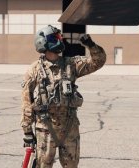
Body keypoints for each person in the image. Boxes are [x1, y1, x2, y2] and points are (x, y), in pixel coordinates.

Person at [21, 25, 106, 168]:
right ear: (44, 42)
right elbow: (26, 101)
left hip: (69, 128)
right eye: (56, 38)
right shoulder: (34, 69)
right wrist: (27, 131)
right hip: (45, 129)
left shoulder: (71, 64)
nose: (60, 40)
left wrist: (90, 45)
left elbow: (98, 61)